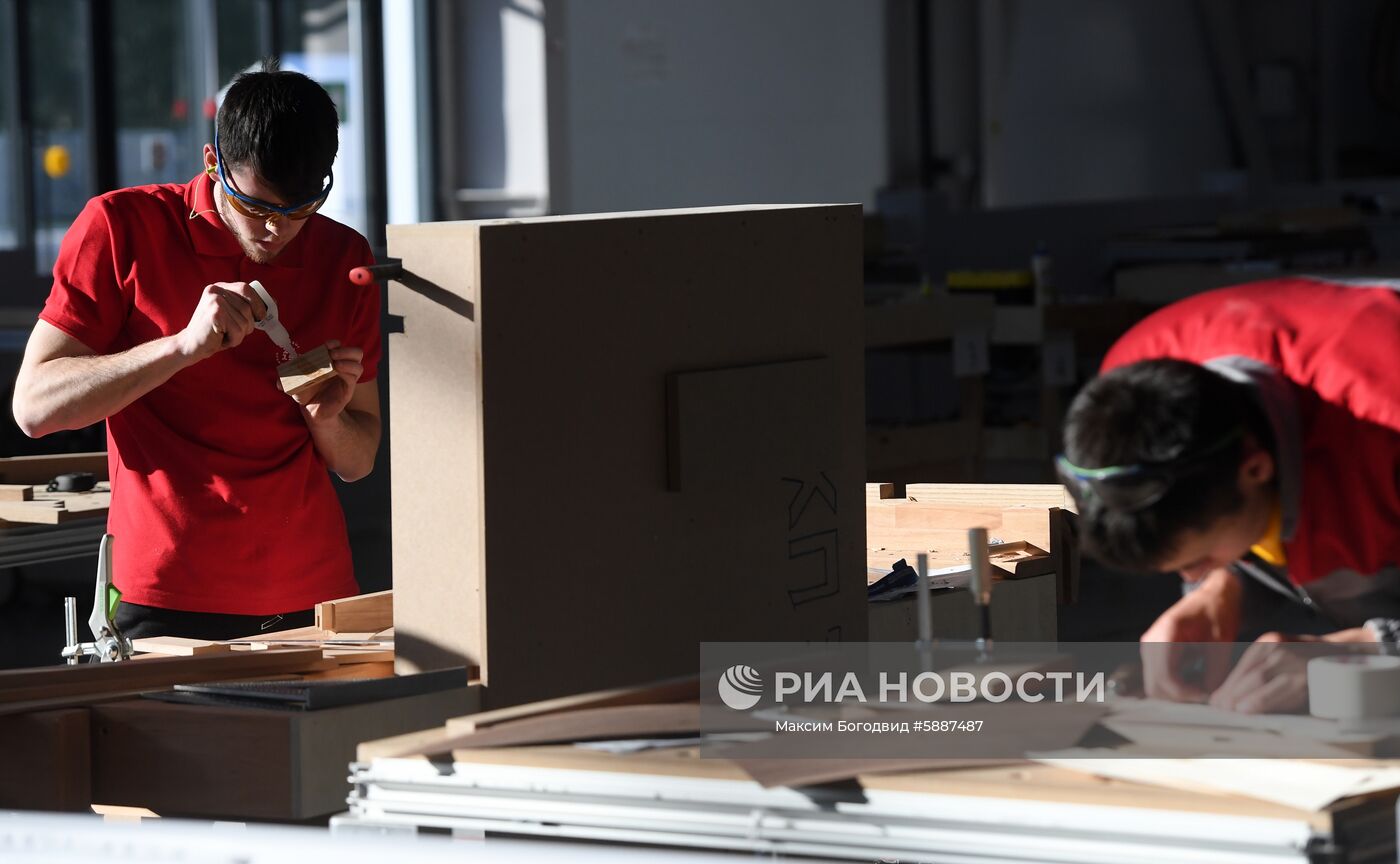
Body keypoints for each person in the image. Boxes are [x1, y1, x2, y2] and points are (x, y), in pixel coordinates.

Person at [11, 62, 381, 640]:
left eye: (300, 212)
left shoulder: (343, 258)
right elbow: (34, 407)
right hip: (166, 594)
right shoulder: (120, 228)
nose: (275, 233)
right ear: (213, 165)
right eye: (257, 209)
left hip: (315, 596)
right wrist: (181, 346)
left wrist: (326, 417)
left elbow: (358, 463)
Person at [1059, 276, 1400, 713]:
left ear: (1255, 468)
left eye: (1196, 561)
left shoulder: (1385, 417)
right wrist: (1220, 585)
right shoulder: (1132, 397)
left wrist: (1370, 648)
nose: (1188, 577)